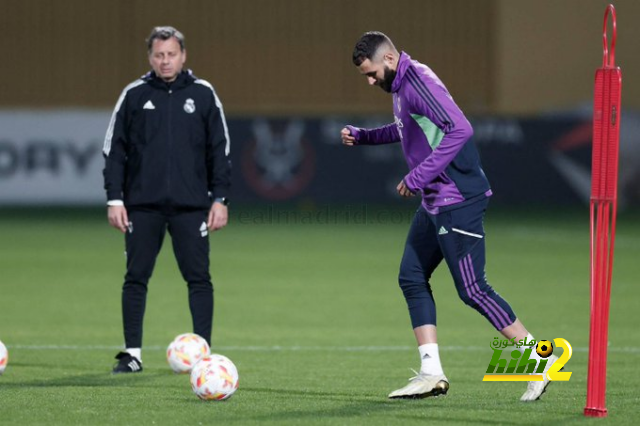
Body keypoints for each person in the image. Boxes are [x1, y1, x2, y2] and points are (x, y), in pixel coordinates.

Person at [341, 31, 557, 401]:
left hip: (458, 198)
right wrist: (364, 137)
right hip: (436, 200)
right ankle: (431, 373)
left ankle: (541, 361)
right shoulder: (402, 84)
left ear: (389, 58)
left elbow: (461, 129)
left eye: (371, 72)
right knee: (411, 277)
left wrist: (418, 175)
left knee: (473, 289)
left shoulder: (417, 82)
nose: (370, 80)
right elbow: (405, 130)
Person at [103, 26, 231, 374]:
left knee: (199, 278)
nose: (165, 60)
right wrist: (115, 199)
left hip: (192, 207)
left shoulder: (204, 94)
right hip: (143, 206)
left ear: (183, 55)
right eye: (159, 55)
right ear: (150, 57)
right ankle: (132, 354)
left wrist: (220, 198)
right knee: (136, 277)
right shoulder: (134, 94)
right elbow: (114, 151)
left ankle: (203, 358)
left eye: (171, 54)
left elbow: (219, 152)